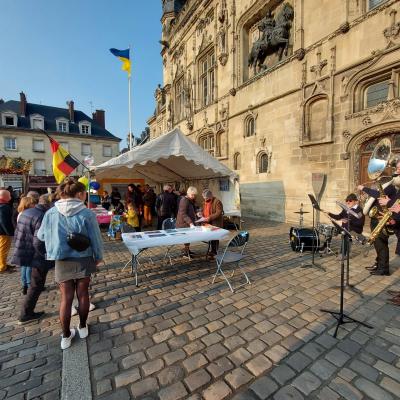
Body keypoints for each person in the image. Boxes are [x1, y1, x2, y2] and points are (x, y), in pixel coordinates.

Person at [38, 178, 103, 350]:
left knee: (66, 299)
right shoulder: (87, 213)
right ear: (80, 194)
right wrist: (98, 256)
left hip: (61, 259)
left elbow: (41, 236)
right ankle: (82, 327)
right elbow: (96, 239)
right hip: (84, 258)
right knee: (83, 294)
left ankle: (66, 336)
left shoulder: (50, 213)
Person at [12, 195, 54, 324]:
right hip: (36, 255)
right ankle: (26, 313)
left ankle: (26, 312)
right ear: (48, 205)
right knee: (36, 285)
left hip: (26, 250)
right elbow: (39, 241)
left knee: (35, 283)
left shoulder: (27, 212)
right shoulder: (41, 216)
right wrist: (45, 255)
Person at [358, 177, 400, 276]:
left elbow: (379, 195)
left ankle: (383, 269)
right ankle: (378, 264)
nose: (375, 180)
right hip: (377, 217)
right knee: (378, 244)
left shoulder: (391, 186)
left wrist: (364, 188)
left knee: (381, 244)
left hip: (382, 218)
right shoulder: (386, 186)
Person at [15, 196, 38, 294]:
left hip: (22, 240)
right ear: (28, 204)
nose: (34, 205)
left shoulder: (21, 213)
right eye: (33, 203)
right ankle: (29, 284)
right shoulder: (26, 214)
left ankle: (24, 284)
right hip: (27, 241)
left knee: (24, 265)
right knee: (28, 265)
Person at [201, 189, 224, 260]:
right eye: (204, 198)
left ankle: (215, 253)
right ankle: (212, 251)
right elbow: (204, 210)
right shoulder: (205, 201)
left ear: (210, 196)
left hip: (215, 222)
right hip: (207, 223)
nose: (205, 199)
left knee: (215, 238)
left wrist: (210, 217)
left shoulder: (217, 202)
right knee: (211, 237)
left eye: (206, 198)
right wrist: (201, 213)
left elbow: (219, 212)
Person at [176, 186, 198, 257]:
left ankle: (187, 250)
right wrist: (190, 223)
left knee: (188, 238)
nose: (193, 196)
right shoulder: (184, 200)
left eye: (194, 195)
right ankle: (186, 252)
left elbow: (191, 210)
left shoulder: (190, 200)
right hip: (183, 223)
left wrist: (197, 213)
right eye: (192, 195)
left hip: (187, 223)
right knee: (187, 238)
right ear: (188, 193)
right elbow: (183, 213)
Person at [0, 190, 15, 273]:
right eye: (9, 195)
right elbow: (3, 221)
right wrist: (9, 232)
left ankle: (3, 263)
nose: (10, 197)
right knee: (3, 249)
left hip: (2, 231)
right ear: (5, 197)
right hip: (3, 232)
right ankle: (2, 266)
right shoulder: (4, 206)